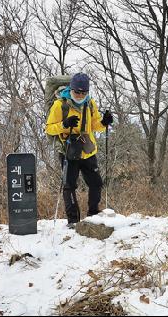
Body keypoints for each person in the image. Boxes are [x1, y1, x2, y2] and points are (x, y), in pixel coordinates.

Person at [45, 73, 113, 229]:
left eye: (84, 93)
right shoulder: (60, 105)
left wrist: (104, 122)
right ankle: (73, 221)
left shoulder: (90, 104)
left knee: (96, 183)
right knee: (69, 186)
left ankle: (93, 215)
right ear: (71, 89)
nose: (80, 95)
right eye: (77, 92)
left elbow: (95, 125)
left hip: (87, 150)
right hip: (69, 150)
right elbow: (48, 128)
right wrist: (64, 124)